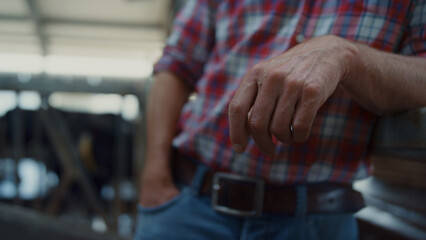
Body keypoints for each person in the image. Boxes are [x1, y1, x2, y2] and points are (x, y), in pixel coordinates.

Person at [134, 1, 426, 239]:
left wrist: (345, 56)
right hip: (188, 206)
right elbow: (177, 64)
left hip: (316, 223)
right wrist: (154, 174)